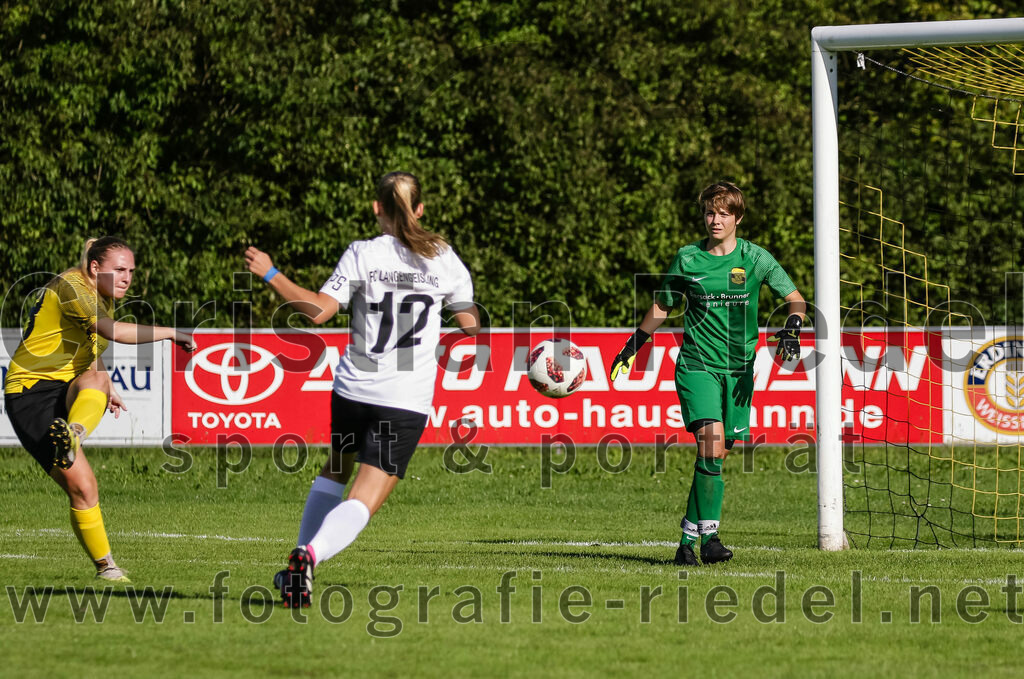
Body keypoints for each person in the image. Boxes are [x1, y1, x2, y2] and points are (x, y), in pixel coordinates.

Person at [245, 171, 480, 608]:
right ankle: (308, 555)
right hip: (403, 399)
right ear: (421, 209)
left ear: (376, 208)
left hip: (353, 389)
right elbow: (471, 325)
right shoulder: (443, 257)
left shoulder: (363, 253)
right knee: (364, 499)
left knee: (336, 469)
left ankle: (295, 567)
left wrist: (271, 272)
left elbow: (317, 311)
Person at [610, 181, 805, 566]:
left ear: (738, 218)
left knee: (715, 457)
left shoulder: (755, 258)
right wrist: (633, 345)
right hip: (697, 366)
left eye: (723, 213)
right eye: (709, 213)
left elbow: (794, 299)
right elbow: (664, 306)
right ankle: (711, 539)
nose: (715, 220)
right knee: (711, 444)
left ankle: (686, 541)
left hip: (740, 372)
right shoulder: (687, 259)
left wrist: (793, 325)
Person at [4, 236, 196, 581]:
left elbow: (91, 347)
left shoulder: (101, 295)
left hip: (66, 386)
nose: (127, 277)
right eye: (119, 269)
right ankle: (106, 565)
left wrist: (106, 384)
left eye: (131, 271)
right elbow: (111, 331)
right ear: (95, 267)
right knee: (83, 487)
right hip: (29, 392)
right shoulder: (71, 287)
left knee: (97, 383)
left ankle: (72, 435)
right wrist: (171, 332)